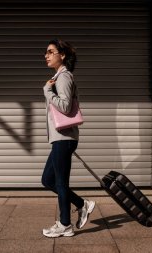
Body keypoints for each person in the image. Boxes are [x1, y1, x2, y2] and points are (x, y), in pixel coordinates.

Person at [41, 39, 95, 238]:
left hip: (64, 138)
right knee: (48, 180)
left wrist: (47, 91)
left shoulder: (64, 77)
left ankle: (65, 225)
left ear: (62, 55)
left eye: (50, 52)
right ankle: (82, 204)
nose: (46, 55)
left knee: (61, 182)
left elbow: (64, 106)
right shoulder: (58, 77)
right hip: (60, 138)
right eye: (45, 52)